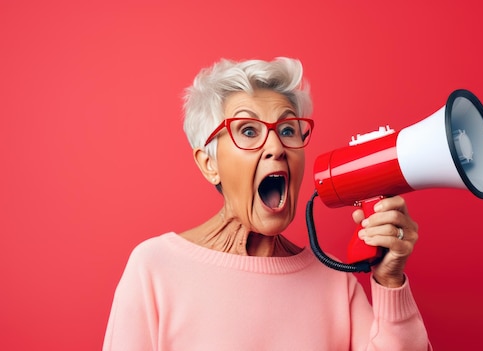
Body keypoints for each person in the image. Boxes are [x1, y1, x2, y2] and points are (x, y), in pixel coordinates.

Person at [103, 57, 432, 350]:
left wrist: (390, 282)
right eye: (248, 130)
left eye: (288, 129)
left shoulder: (334, 280)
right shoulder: (155, 268)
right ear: (208, 163)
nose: (276, 147)